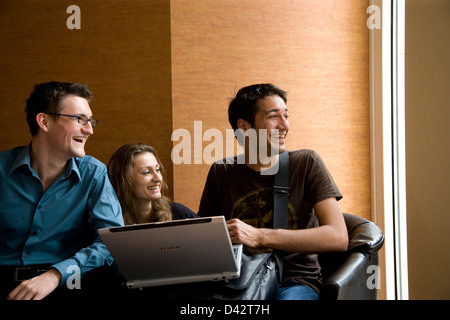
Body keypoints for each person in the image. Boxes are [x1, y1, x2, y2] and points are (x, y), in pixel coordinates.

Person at [197, 83, 348, 300]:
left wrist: (259, 236)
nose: (284, 125)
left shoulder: (306, 163)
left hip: (294, 282)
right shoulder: (222, 172)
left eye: (286, 116)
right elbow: (206, 240)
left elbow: (338, 237)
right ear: (244, 127)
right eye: (273, 116)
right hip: (239, 283)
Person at [0, 81, 124, 300]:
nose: (89, 129)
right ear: (44, 121)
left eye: (91, 121)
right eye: (80, 119)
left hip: (66, 284)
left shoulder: (94, 174)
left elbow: (112, 241)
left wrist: (56, 274)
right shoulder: (2, 170)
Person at [108, 143, 198, 224]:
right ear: (123, 179)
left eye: (157, 170)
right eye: (146, 172)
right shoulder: (108, 220)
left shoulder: (178, 214)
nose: (158, 178)